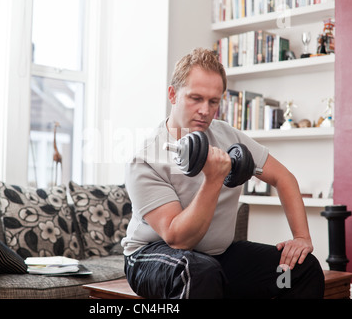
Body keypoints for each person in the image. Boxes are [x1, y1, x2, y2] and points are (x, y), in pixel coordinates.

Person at [121, 47, 324, 299]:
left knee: (301, 270)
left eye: (213, 101)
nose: (205, 110)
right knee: (197, 271)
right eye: (195, 98)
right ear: (173, 95)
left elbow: (283, 178)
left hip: (218, 257)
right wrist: (214, 178)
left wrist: (302, 237)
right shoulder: (145, 159)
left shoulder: (227, 135)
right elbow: (178, 239)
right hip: (152, 256)